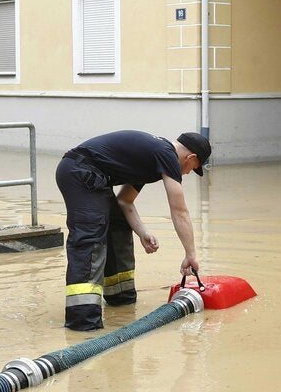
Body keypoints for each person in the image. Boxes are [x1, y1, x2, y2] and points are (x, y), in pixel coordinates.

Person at [55, 130, 212, 331]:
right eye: (192, 168)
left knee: (117, 224)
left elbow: (124, 201)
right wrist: (190, 254)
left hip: (92, 174)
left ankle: (121, 298)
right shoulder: (166, 154)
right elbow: (179, 211)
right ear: (190, 158)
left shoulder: (152, 159)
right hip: (80, 171)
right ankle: (83, 322)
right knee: (90, 239)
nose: (187, 172)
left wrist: (142, 232)